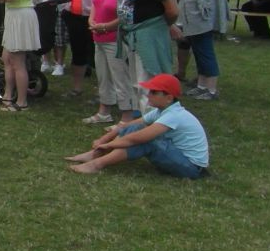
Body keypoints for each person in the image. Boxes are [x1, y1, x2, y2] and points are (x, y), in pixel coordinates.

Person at [67, 74, 209, 179]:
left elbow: (138, 138)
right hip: (180, 159)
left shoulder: (173, 115)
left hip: (191, 168)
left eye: (154, 92)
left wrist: (108, 145)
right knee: (135, 128)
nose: (149, 95)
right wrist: (103, 140)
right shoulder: (162, 111)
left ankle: (96, 164)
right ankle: (95, 155)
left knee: (148, 141)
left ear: (169, 98)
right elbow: (130, 125)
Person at [116, 0, 178, 109]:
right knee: (136, 81)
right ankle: (141, 116)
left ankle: (153, 118)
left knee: (148, 82)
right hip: (132, 34)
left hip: (148, 35)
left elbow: (172, 10)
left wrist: (158, 25)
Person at [173, 0, 229, 101]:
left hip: (201, 19)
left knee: (205, 53)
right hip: (197, 19)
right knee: (199, 52)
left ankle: (211, 89)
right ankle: (202, 86)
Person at [86, 0, 137, 125]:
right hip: (98, 36)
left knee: (120, 77)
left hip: (116, 38)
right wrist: (92, 20)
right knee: (103, 75)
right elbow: (96, 1)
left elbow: (127, 14)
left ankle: (127, 116)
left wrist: (106, 26)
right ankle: (104, 111)